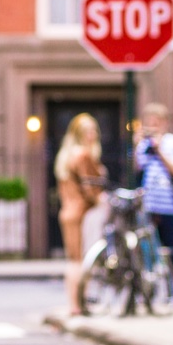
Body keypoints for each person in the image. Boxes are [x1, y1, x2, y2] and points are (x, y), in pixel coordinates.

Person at [54, 113, 108, 315]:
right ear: (79, 134)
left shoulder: (66, 156)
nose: (92, 135)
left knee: (74, 260)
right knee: (81, 260)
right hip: (82, 213)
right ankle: (78, 304)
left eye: (94, 130)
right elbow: (91, 187)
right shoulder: (83, 155)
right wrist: (102, 200)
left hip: (67, 212)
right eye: (88, 131)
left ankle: (75, 304)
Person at [135, 102, 173, 287]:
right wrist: (137, 146)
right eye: (149, 123)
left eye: (155, 123)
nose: (152, 127)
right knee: (147, 252)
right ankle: (151, 290)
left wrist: (159, 149)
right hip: (148, 205)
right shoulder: (143, 145)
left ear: (165, 123)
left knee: (171, 251)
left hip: (170, 206)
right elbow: (137, 170)